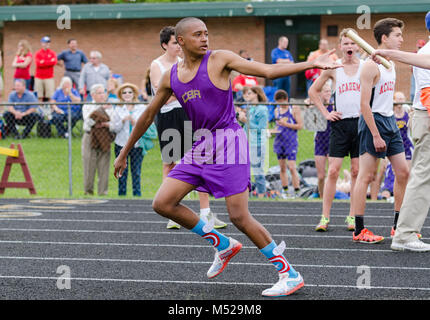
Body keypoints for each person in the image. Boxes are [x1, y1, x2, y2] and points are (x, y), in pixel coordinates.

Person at [114, 17, 342, 297]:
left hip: (229, 141)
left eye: (206, 33)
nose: (205, 38)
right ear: (181, 41)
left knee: (239, 216)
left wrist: (311, 63)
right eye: (198, 34)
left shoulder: (220, 59)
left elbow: (268, 71)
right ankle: (222, 244)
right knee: (163, 202)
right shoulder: (170, 75)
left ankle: (289, 273)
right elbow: (148, 114)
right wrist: (124, 152)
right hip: (201, 145)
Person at [150, 26, 227, 230]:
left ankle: (206, 213)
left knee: (200, 162)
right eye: (174, 42)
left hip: (189, 114)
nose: (178, 46)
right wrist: (185, 90)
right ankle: (172, 212)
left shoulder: (183, 64)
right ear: (165, 44)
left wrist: (182, 91)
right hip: (168, 118)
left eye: (179, 42)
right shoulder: (157, 65)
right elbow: (163, 97)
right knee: (170, 162)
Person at [370, 11, 430, 251]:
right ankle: (404, 234)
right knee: (422, 176)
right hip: (426, 117)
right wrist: (388, 52)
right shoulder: (426, 53)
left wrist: (390, 52)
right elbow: (427, 93)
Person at [352, 18, 410, 244]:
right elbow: (364, 105)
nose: (401, 39)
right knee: (366, 176)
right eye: (397, 35)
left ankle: (398, 226)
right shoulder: (370, 66)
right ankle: (359, 230)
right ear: (384, 38)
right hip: (372, 122)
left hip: (389, 121)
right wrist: (375, 134)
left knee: (403, 172)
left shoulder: (391, 63)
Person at [309, 28, 362, 233]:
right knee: (333, 171)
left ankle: (352, 216)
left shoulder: (365, 67)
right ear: (340, 46)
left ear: (358, 46)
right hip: (339, 124)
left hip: (360, 124)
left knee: (357, 171)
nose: (349, 47)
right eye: (346, 44)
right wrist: (326, 113)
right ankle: (325, 216)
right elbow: (313, 91)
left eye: (352, 43)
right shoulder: (334, 68)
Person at [82, 84, 119, 196]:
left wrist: (104, 122)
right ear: (93, 95)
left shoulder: (111, 107)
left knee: (104, 164)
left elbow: (113, 123)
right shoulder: (87, 106)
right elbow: (89, 121)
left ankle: (103, 191)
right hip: (90, 136)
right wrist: (102, 110)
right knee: (89, 163)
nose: (103, 95)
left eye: (104, 92)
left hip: (105, 136)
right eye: (100, 93)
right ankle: (88, 191)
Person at [113, 83, 150, 196]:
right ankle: (122, 193)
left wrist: (135, 123)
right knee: (121, 171)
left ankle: (137, 193)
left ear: (134, 94)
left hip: (136, 144)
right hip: (121, 143)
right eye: (124, 92)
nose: (127, 94)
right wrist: (123, 120)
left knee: (136, 171)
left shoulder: (141, 108)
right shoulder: (118, 109)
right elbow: (115, 128)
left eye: (130, 92)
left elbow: (146, 124)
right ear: (121, 95)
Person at [238, 86, 269, 198]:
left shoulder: (261, 109)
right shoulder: (250, 108)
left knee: (258, 172)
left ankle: (261, 196)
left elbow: (260, 129)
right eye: (246, 93)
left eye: (249, 93)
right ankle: (247, 195)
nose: (246, 95)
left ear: (256, 94)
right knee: (245, 172)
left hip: (257, 144)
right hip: (247, 143)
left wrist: (246, 120)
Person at [272, 89, 303, 198]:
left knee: (292, 167)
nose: (280, 105)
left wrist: (286, 124)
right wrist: (272, 131)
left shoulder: (293, 109)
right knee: (282, 168)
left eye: (281, 102)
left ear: (286, 99)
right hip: (280, 141)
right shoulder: (277, 110)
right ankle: (285, 191)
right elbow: (278, 126)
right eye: (278, 103)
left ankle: (297, 190)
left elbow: (300, 126)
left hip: (291, 141)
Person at [312, 84, 334, 199]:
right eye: (325, 91)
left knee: (332, 173)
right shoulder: (316, 107)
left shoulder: (334, 106)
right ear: (320, 93)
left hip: (332, 141)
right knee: (321, 176)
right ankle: (321, 196)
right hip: (320, 142)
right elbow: (311, 124)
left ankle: (329, 196)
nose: (328, 93)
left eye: (329, 91)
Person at [34, 36, 57, 102]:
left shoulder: (52, 53)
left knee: (50, 96)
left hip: (49, 77)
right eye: (45, 42)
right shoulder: (38, 53)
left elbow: (54, 62)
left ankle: (50, 111)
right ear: (41, 43)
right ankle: (39, 111)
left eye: (48, 43)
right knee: (39, 96)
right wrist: (49, 61)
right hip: (39, 77)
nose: (47, 44)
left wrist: (43, 62)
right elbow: (38, 64)